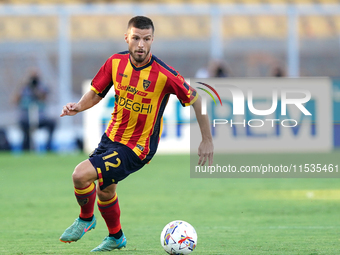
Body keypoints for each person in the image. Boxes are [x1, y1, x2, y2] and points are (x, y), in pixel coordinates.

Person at [59, 16, 214, 252]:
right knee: (105, 189)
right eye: (136, 38)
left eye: (146, 39)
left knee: (80, 175)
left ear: (153, 40)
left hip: (138, 148)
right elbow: (96, 92)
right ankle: (116, 237)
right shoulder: (115, 63)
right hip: (111, 138)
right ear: (127, 38)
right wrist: (78, 106)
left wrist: (207, 140)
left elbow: (197, 99)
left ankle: (85, 219)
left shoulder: (164, 74)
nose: (141, 44)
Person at [14, 70, 56, 151]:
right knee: (25, 130)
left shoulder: (41, 87)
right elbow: (15, 100)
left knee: (52, 124)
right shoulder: (23, 88)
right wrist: (22, 86)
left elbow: (44, 97)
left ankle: (48, 147)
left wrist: (35, 89)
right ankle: (25, 149)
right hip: (26, 118)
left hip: (40, 118)